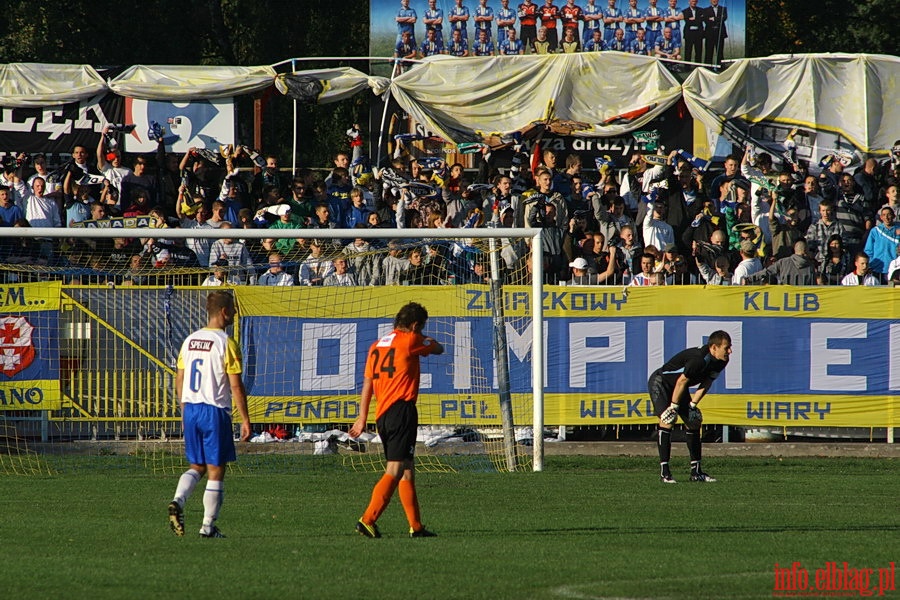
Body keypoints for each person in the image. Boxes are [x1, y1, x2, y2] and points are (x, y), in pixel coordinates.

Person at [350, 302, 445, 539]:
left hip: (382, 413)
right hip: (401, 410)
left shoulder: (376, 346)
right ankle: (368, 519)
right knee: (395, 468)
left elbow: (368, 384)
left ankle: (416, 527)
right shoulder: (411, 340)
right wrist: (426, 339)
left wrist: (362, 417)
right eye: (421, 327)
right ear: (414, 326)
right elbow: (438, 348)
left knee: (407, 470)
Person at [167, 291, 251, 539]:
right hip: (214, 411)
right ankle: (207, 527)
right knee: (216, 469)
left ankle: (178, 501)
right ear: (224, 312)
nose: (235, 313)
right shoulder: (226, 342)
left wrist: (184, 409)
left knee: (197, 465)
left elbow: (180, 377)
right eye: (233, 309)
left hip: (190, 408)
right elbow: (236, 385)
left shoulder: (190, 340)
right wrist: (245, 419)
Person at [649, 330, 732, 483]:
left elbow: (707, 382)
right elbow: (681, 381)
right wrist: (673, 407)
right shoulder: (698, 360)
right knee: (667, 421)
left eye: (730, 347)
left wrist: (693, 404)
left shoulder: (722, 361)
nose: (730, 351)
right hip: (661, 383)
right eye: (726, 348)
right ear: (714, 347)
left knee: (694, 421)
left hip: (679, 388)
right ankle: (665, 473)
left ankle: (696, 472)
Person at [702, 0, 727, 65]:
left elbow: (724, 18)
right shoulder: (706, 10)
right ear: (710, 1)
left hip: (720, 33)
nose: (714, 1)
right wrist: (718, 18)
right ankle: (708, 66)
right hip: (709, 33)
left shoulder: (723, 9)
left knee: (720, 51)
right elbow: (706, 20)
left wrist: (714, 18)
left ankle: (720, 66)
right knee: (709, 51)